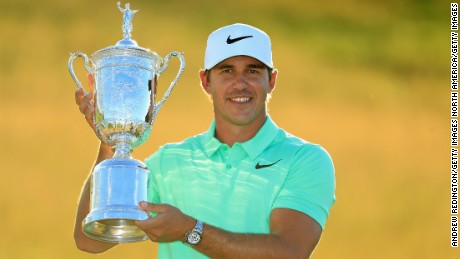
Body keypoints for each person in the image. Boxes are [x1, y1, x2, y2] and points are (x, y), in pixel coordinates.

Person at [74, 23, 336, 258]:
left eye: (253, 71)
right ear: (205, 81)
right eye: (227, 71)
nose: (240, 83)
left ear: (272, 81)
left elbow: (288, 252)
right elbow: (89, 241)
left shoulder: (305, 159)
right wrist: (111, 135)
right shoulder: (169, 161)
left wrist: (189, 230)